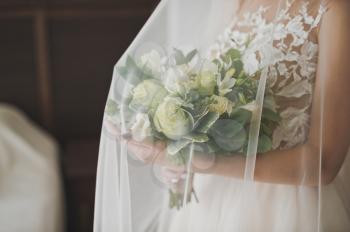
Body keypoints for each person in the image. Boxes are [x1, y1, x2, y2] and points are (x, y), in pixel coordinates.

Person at [94, 0, 350, 231]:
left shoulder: (333, 10)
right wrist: (176, 156)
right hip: (207, 205)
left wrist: (199, 161)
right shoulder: (236, 5)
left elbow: (324, 163)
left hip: (286, 209)